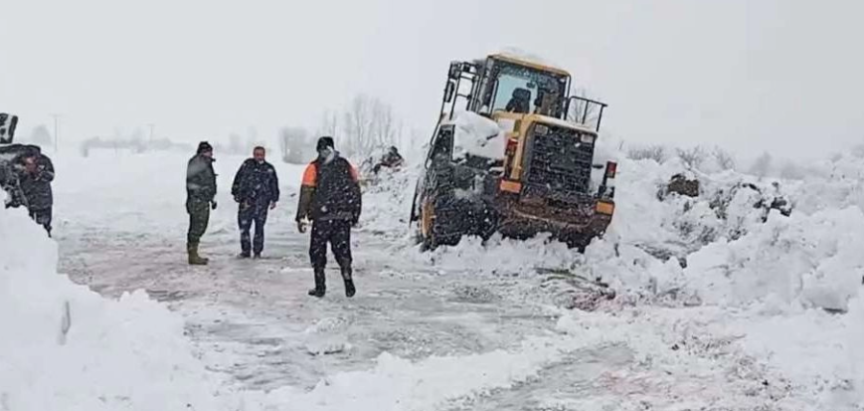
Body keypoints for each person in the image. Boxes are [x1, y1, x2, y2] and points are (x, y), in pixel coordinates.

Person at [296, 136, 362, 298]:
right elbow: (356, 189)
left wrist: (301, 215)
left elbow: (306, 191)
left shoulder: (314, 167)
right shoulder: (345, 165)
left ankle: (320, 286)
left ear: (318, 149)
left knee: (318, 251)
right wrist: (355, 213)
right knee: (342, 250)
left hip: (322, 217)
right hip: (343, 216)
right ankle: (347, 276)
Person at [231, 146, 280, 258]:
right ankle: (245, 250)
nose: (258, 157)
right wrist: (236, 193)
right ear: (253, 154)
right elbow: (238, 180)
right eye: (256, 154)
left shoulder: (269, 168)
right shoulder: (246, 165)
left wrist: (274, 199)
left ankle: (257, 251)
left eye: (260, 154)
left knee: (259, 227)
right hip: (246, 202)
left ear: (264, 155)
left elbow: (274, 184)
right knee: (244, 227)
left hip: (262, 203)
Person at [186, 141, 217, 265]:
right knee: (197, 227)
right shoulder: (198, 163)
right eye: (209, 151)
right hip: (197, 200)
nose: (211, 154)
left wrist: (211, 197)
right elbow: (193, 182)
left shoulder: (204, 163)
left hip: (202, 199)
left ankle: (193, 253)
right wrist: (202, 193)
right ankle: (193, 255)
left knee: (200, 226)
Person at [16, 147, 55, 236]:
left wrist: (36, 172)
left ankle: (46, 243)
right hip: (26, 199)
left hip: (43, 200)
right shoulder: (18, 162)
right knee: (26, 227)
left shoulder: (44, 161)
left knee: (44, 226)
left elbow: (50, 175)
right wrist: (24, 172)